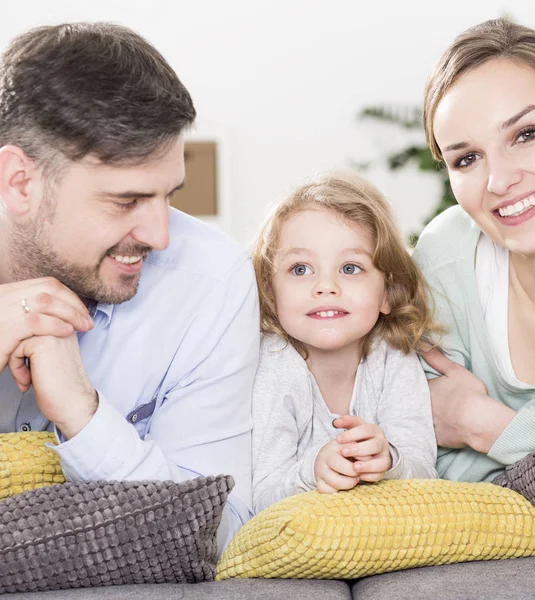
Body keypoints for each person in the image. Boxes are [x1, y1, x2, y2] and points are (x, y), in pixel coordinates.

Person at [0, 23, 259, 552]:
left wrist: (84, 416)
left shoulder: (211, 282)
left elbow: (222, 531)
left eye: (169, 196)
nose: (160, 235)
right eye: (125, 201)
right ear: (20, 182)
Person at [412, 18, 535, 483]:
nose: (499, 181)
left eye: (526, 134)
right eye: (466, 159)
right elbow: (426, 465)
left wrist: (482, 424)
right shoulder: (447, 255)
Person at [251, 171, 438, 513]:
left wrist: (388, 460)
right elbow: (260, 496)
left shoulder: (392, 357)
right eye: (300, 269)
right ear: (270, 293)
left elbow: (424, 471)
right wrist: (314, 470)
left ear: (387, 293)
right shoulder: (274, 365)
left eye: (350, 268)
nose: (325, 286)